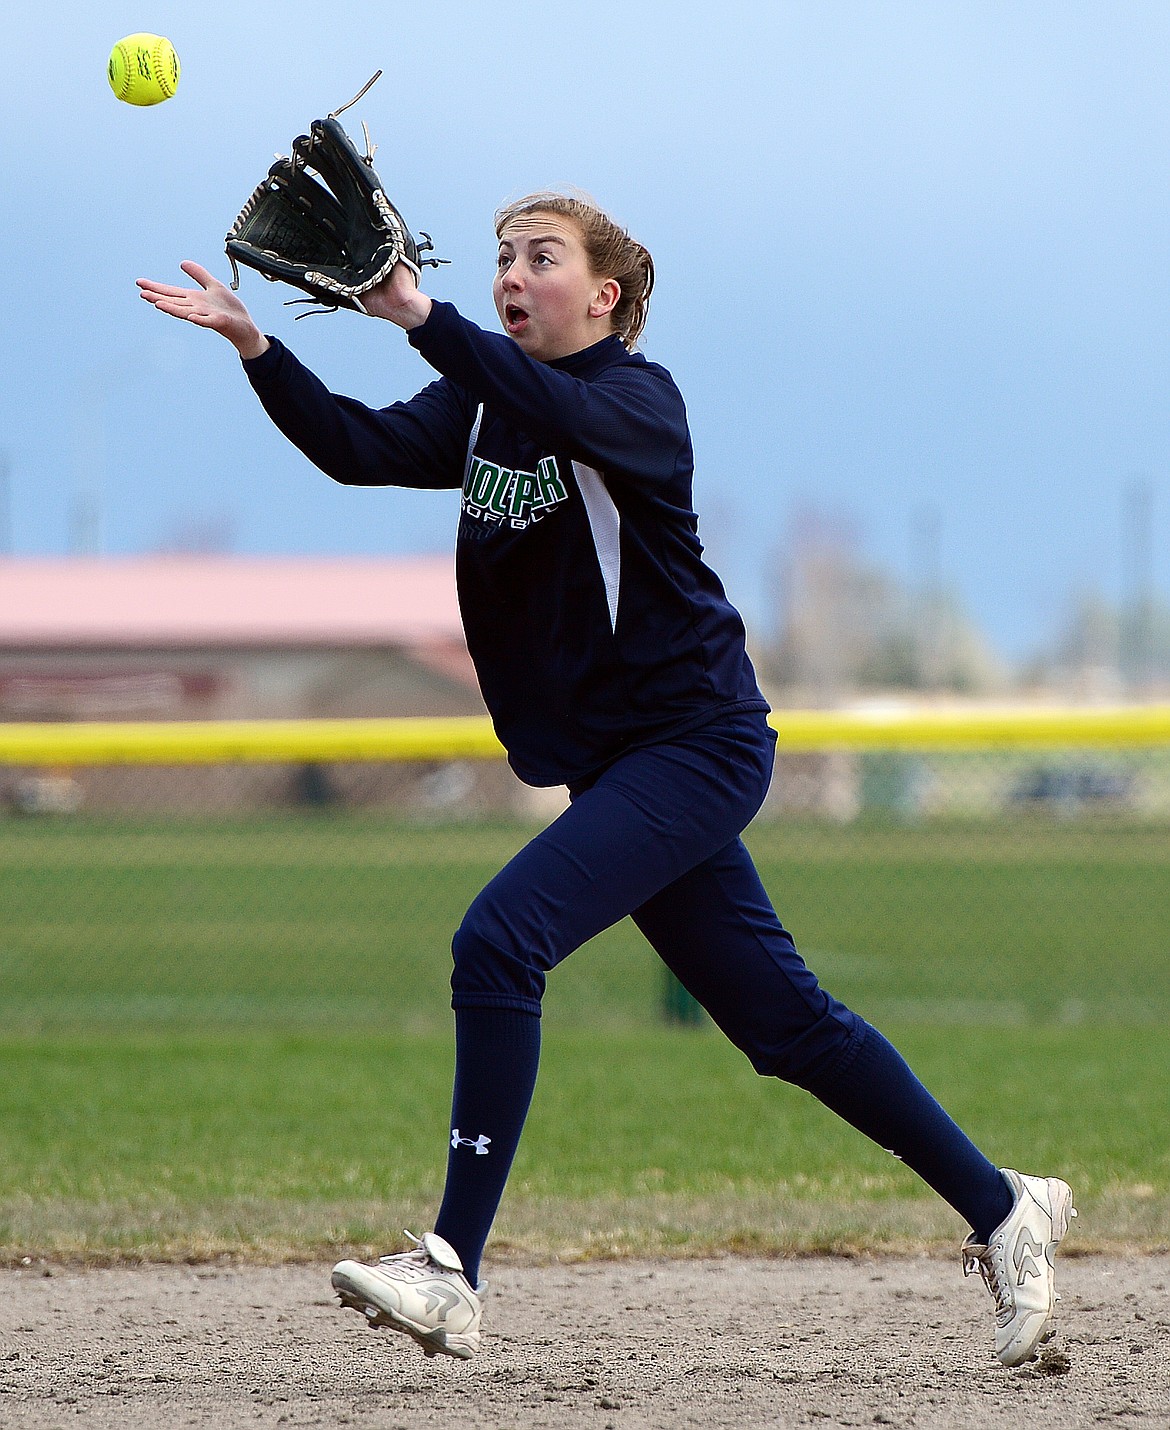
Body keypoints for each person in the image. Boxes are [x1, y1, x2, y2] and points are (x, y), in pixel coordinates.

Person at [138, 192, 1074, 1369]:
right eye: (500, 260)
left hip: (697, 744)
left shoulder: (638, 401)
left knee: (499, 939)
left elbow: (546, 402)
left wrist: (416, 312)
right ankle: (1004, 1205)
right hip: (618, 761)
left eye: (541, 257)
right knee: (786, 1024)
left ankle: (450, 1270)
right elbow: (358, 447)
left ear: (606, 297)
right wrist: (257, 346)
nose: (512, 275)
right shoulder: (489, 401)